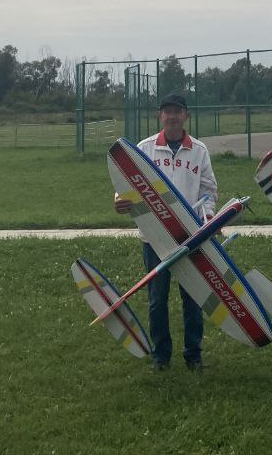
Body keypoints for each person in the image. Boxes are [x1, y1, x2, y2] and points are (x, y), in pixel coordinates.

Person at [113, 93, 217, 372]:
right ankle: (161, 355)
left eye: (177, 111)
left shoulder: (199, 150)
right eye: (167, 112)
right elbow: (126, 182)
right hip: (155, 238)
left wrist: (207, 218)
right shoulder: (145, 148)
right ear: (160, 116)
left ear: (186, 116)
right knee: (157, 300)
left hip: (190, 237)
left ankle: (193, 353)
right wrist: (119, 200)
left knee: (193, 297)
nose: (172, 116)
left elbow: (208, 191)